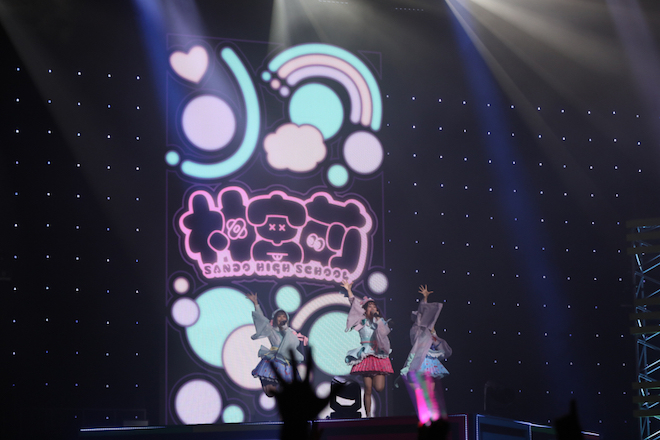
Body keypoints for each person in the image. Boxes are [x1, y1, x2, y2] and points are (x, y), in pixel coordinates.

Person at [342, 279, 393, 417]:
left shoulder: (380, 322)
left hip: (378, 354)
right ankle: (369, 416)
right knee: (368, 389)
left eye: (374, 306)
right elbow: (354, 305)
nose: (372, 308)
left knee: (379, 388)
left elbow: (385, 332)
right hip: (366, 354)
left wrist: (378, 319)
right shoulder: (361, 322)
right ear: (365, 309)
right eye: (369, 306)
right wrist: (349, 290)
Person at [247, 291, 304, 397]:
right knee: (270, 390)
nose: (281, 318)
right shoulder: (271, 330)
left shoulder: (290, 332)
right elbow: (261, 320)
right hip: (273, 359)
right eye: (279, 316)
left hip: (286, 362)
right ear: (274, 319)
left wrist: (285, 330)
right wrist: (256, 304)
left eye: (283, 316)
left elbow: (293, 344)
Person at [400, 285, 452, 395]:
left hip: (430, 360)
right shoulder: (416, 330)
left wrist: (433, 333)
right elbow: (422, 313)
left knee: (430, 389)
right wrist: (424, 299)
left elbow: (439, 345)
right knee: (420, 386)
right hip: (421, 358)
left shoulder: (430, 332)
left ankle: (426, 399)